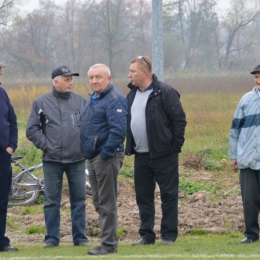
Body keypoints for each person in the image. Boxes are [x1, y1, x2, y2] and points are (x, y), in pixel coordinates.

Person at [125, 56, 186, 245]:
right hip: (141, 155)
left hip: (164, 155)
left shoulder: (165, 92)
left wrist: (174, 147)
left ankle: (168, 235)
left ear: (144, 73)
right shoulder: (132, 94)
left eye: (132, 71)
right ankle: (146, 235)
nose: (129, 75)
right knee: (143, 196)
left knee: (168, 195)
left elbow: (179, 120)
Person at [26, 65, 89, 248]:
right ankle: (52, 238)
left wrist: (84, 146)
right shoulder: (41, 102)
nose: (71, 82)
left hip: (77, 159)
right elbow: (31, 129)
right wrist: (47, 146)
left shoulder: (80, 101)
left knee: (79, 200)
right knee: (52, 201)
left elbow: (87, 126)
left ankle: (80, 238)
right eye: (67, 79)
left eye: (71, 79)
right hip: (52, 160)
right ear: (56, 82)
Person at [80, 64, 127, 256]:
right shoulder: (94, 98)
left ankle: (108, 245)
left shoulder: (115, 99)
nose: (94, 81)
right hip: (93, 156)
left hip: (106, 157)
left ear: (109, 78)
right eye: (91, 78)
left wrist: (105, 154)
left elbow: (118, 131)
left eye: (98, 77)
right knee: (99, 201)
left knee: (107, 202)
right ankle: (108, 240)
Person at [229, 64, 260, 244]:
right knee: (249, 200)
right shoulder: (246, 100)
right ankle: (251, 234)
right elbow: (234, 131)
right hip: (248, 159)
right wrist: (234, 156)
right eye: (256, 77)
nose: (257, 80)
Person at [0, 62, 18, 252]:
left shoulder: (2, 94)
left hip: (2, 157)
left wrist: (11, 147)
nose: (2, 73)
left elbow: (12, 121)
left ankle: (1, 241)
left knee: (2, 201)